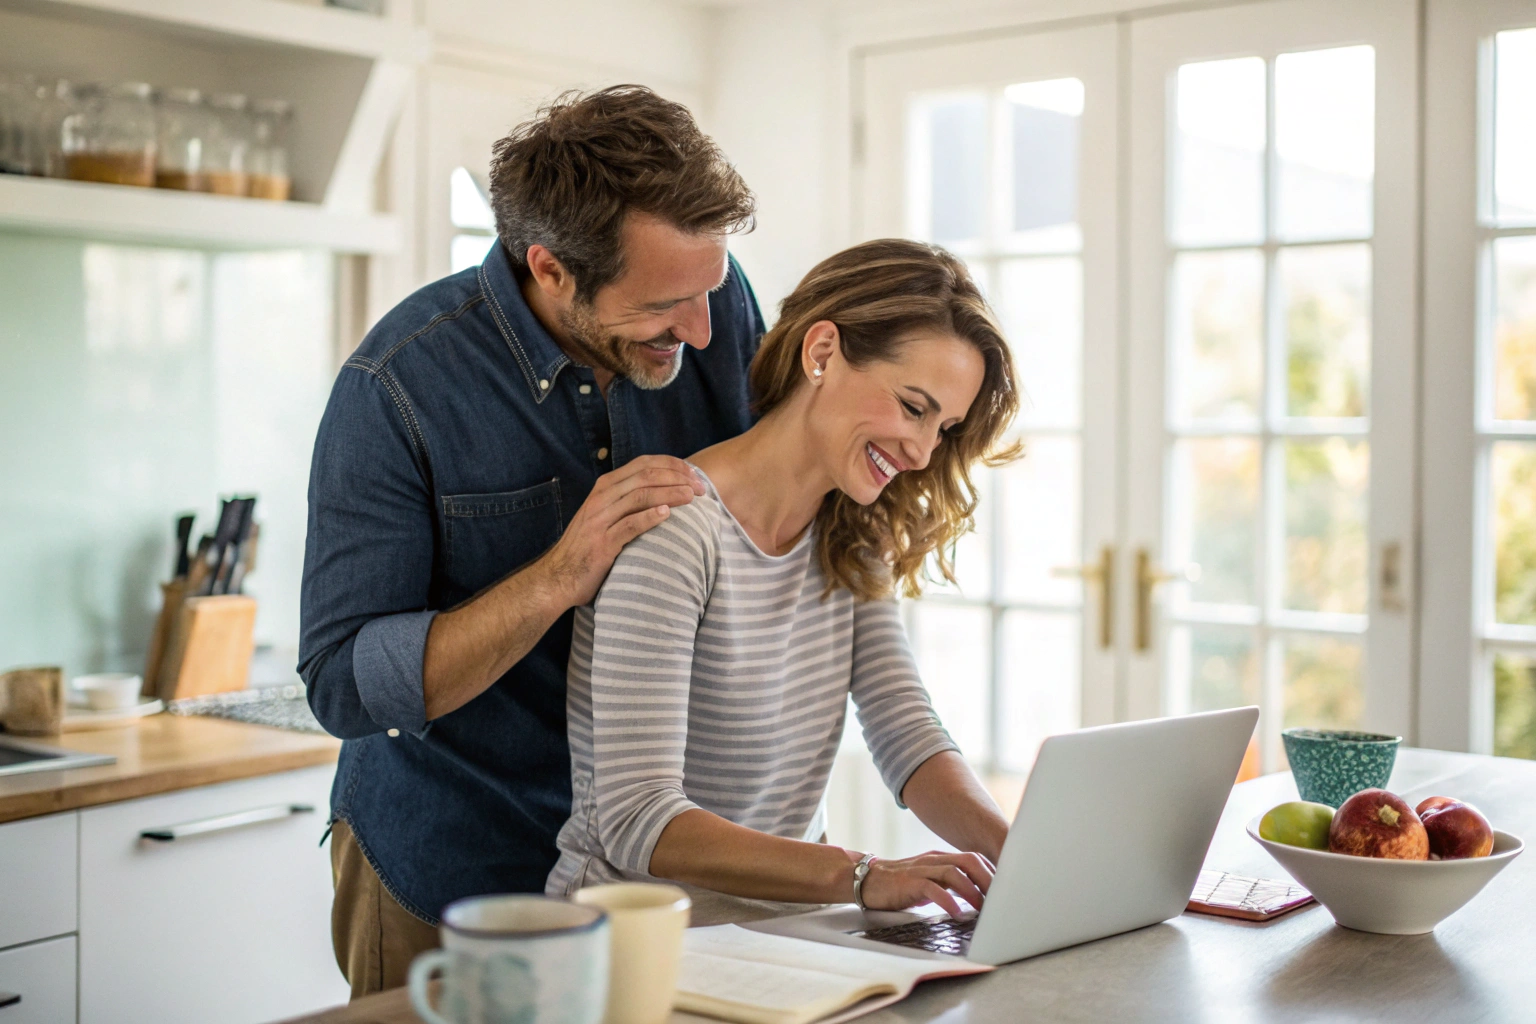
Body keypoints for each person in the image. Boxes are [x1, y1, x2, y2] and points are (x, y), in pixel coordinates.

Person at [298, 85, 762, 997]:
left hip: (661, 866)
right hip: (456, 864)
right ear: (550, 269)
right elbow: (344, 684)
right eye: (667, 303)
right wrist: (558, 575)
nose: (704, 331)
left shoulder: (714, 308)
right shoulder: (397, 387)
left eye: (711, 289)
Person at [547, 239, 1020, 915]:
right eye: (914, 407)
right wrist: (861, 875)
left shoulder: (853, 536)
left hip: (790, 936)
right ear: (822, 352)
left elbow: (905, 731)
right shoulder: (676, 531)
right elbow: (637, 818)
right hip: (640, 940)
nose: (922, 453)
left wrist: (1023, 856)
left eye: (944, 428)